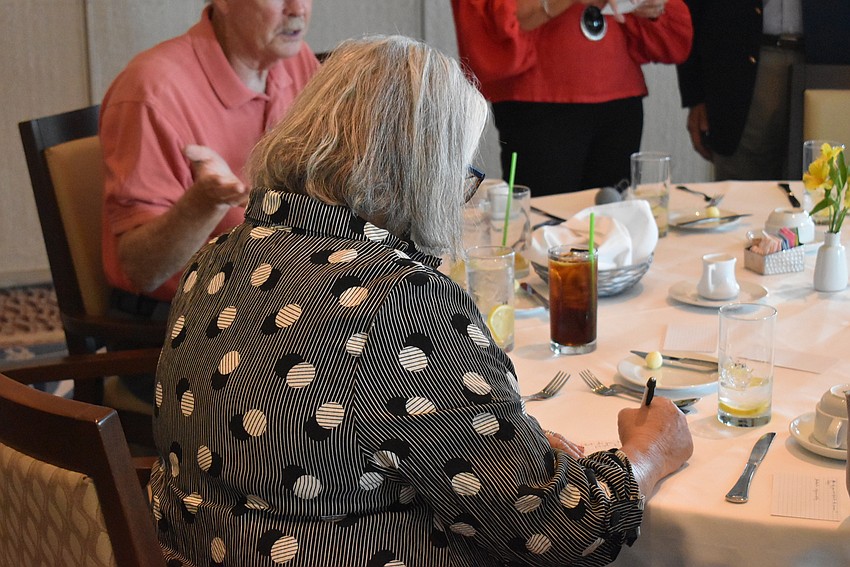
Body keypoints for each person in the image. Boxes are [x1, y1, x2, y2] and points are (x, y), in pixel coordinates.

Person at [149, 34, 693, 566]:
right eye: (462, 175)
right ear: (424, 175)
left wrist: (502, 446)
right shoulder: (402, 302)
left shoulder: (217, 256)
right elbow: (561, 532)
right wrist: (648, 453)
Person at [100, 0, 319, 316]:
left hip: (275, 287)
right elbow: (142, 270)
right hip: (184, 312)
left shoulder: (295, 60)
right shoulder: (151, 92)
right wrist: (205, 203)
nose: (298, 9)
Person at [450, 0, 693, 196]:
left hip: (618, 89)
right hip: (539, 95)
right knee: (544, 224)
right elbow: (495, 19)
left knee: (613, 222)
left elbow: (673, 28)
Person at [676, 0, 803, 181]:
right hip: (738, 63)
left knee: (824, 180)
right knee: (740, 185)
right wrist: (695, 94)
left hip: (827, 59)